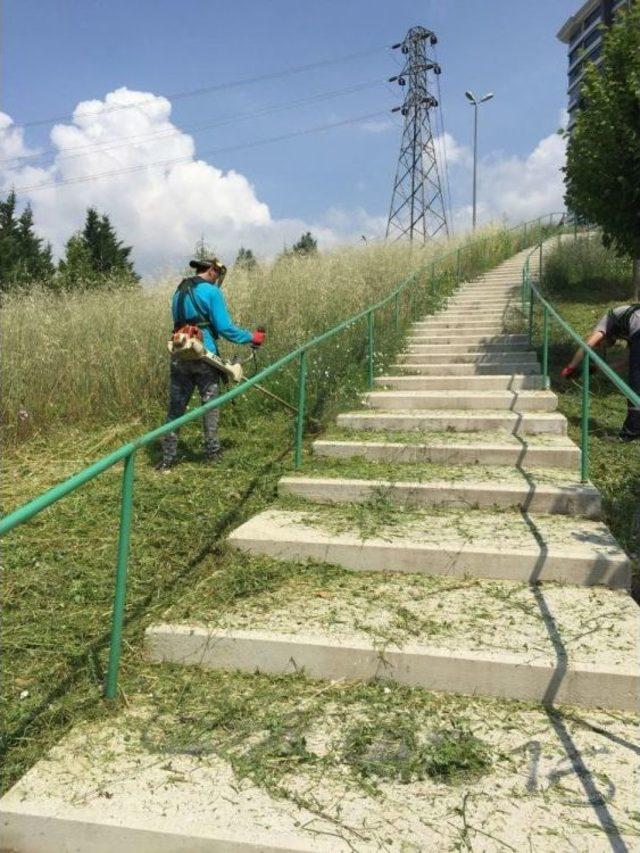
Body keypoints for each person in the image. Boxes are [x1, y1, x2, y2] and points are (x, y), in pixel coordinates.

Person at [156, 256, 265, 471]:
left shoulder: (179, 291)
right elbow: (225, 328)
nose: (217, 280)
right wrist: (252, 338)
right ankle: (212, 453)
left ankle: (167, 459)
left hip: (179, 353)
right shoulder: (212, 292)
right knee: (210, 405)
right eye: (218, 275)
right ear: (213, 271)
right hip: (204, 355)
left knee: (175, 409)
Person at [560, 303, 640, 442]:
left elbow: (587, 345)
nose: (600, 345)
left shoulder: (606, 321)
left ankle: (629, 434)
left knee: (635, 386)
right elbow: (627, 361)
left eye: (600, 344)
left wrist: (571, 367)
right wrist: (597, 369)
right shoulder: (628, 327)